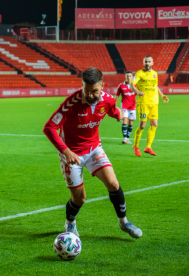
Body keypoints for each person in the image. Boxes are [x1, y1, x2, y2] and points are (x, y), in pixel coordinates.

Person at [43, 67, 142, 239]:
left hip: (94, 149)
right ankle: (70, 223)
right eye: (86, 90)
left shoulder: (108, 100)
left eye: (94, 91)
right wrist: (65, 151)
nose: (89, 95)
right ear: (82, 85)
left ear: (102, 86)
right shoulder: (71, 104)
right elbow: (49, 127)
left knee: (113, 183)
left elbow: (111, 110)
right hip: (71, 154)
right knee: (80, 199)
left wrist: (118, 114)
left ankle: (124, 222)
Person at [130, 56, 169, 157]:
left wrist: (162, 95)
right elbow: (131, 85)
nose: (147, 63)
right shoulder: (140, 73)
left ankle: (148, 147)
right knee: (142, 125)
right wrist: (138, 92)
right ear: (143, 63)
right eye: (145, 62)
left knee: (154, 125)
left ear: (152, 63)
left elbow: (155, 86)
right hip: (143, 103)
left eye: (149, 62)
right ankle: (135, 146)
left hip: (154, 103)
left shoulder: (155, 74)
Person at [115, 71, 137, 144]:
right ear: (125, 77)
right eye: (127, 76)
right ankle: (124, 138)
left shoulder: (135, 85)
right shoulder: (121, 85)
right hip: (124, 106)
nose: (129, 78)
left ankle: (127, 138)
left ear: (132, 77)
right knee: (125, 120)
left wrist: (138, 101)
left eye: (130, 76)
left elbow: (139, 94)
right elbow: (117, 95)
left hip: (132, 106)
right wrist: (115, 105)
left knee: (131, 123)